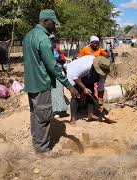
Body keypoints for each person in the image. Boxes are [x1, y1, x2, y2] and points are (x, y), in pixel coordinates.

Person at [23, 9, 79, 154]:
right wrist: (68, 85)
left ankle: (37, 143)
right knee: (44, 116)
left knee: (35, 115)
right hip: (41, 83)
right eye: (53, 23)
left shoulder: (28, 36)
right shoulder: (43, 38)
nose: (54, 26)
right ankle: (42, 150)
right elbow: (52, 65)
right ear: (46, 21)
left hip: (31, 82)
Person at [66, 55, 110, 124]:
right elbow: (74, 76)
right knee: (76, 94)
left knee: (90, 93)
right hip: (75, 75)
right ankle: (73, 118)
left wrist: (100, 103)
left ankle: (90, 114)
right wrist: (84, 88)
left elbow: (100, 87)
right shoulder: (86, 66)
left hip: (88, 77)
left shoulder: (104, 71)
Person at [49, 34, 69, 118]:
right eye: (52, 39)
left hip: (58, 71)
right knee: (54, 91)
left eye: (54, 39)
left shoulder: (55, 49)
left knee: (59, 90)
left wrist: (63, 63)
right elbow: (53, 60)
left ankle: (61, 109)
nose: (53, 41)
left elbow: (59, 59)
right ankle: (56, 111)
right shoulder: (47, 49)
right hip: (52, 72)